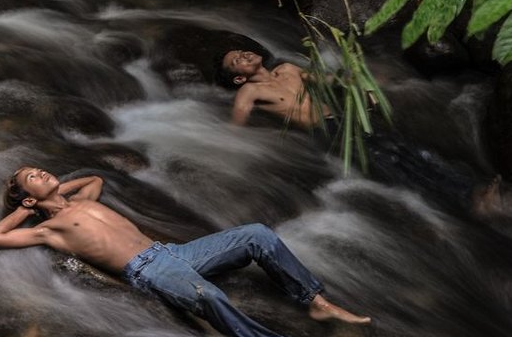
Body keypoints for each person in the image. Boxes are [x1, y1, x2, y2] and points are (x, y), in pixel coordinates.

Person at [0, 167, 371, 337]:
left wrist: (50, 191)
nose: (41, 172)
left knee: (257, 235)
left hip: (171, 252)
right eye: (31, 177)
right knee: (209, 296)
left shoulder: (80, 201)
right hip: (147, 271)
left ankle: (316, 300)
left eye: (39, 169)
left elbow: (95, 179)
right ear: (30, 197)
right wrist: (28, 205)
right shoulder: (47, 230)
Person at [216, 48, 506, 217]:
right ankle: (463, 203)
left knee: (411, 150)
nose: (242, 54)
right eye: (236, 61)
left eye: (241, 51)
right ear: (239, 77)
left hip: (345, 119)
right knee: (391, 165)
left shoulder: (288, 69)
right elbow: (236, 128)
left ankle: (473, 190)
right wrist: (238, 152)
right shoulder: (250, 91)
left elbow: (328, 82)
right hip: (325, 133)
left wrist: (362, 86)